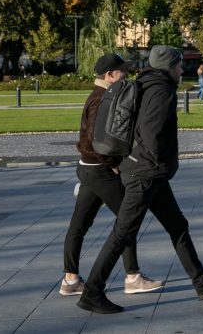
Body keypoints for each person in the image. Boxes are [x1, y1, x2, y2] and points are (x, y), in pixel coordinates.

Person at [77, 46, 203, 314]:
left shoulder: (145, 83)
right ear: (169, 66)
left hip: (149, 172)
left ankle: (202, 281)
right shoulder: (161, 90)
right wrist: (154, 162)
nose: (181, 69)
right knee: (122, 232)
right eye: (179, 64)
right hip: (146, 172)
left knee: (177, 224)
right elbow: (150, 132)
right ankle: (92, 292)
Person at [61, 54, 163, 297]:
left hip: (88, 169)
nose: (125, 75)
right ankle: (133, 277)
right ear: (109, 75)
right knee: (127, 221)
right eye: (122, 71)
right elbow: (99, 142)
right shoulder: (101, 100)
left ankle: (71, 279)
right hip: (100, 170)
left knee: (79, 225)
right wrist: (114, 165)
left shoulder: (99, 96)